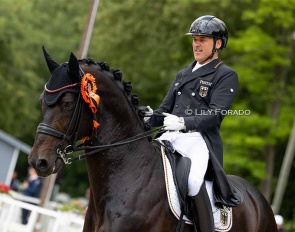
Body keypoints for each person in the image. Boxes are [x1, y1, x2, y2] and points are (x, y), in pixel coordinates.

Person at [146, 15, 238, 231]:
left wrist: (183, 122)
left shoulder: (225, 75)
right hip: (170, 136)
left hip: (199, 140)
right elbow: (163, 110)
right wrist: (147, 117)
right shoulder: (184, 73)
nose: (196, 44)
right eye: (195, 39)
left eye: (203, 39)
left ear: (218, 44)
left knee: (193, 182)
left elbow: (215, 114)